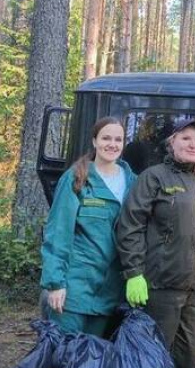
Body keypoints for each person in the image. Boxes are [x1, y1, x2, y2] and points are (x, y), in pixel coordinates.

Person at [115, 118, 195, 368]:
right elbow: (130, 225)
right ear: (171, 142)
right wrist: (134, 273)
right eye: (186, 138)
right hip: (161, 287)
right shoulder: (153, 177)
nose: (193, 144)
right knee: (154, 360)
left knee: (193, 362)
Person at [39, 117, 137, 337]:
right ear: (94, 141)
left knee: (92, 361)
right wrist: (55, 283)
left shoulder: (134, 183)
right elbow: (58, 233)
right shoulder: (77, 178)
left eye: (118, 139)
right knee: (63, 357)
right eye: (106, 138)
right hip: (74, 289)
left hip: (109, 293)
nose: (112, 144)